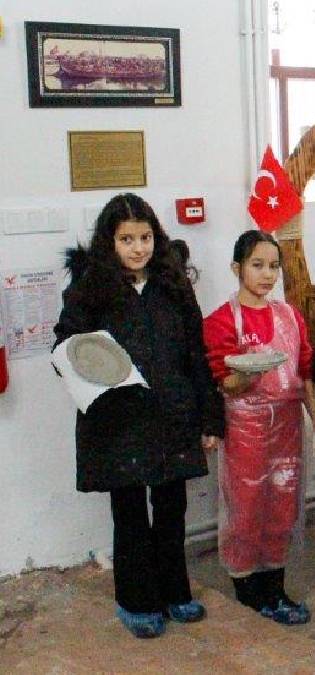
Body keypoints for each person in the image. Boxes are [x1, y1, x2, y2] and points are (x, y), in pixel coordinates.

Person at [54, 193, 223, 638]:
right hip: (119, 418)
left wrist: (210, 418)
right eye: (126, 239)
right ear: (109, 242)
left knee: (171, 509)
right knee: (129, 512)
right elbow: (66, 346)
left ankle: (175, 591)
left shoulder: (173, 284)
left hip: (173, 413)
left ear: (156, 237)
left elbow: (196, 353)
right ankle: (135, 600)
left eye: (145, 237)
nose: (137, 248)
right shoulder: (90, 288)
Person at [202, 230, 315, 625]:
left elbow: (305, 372)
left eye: (273, 266)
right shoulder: (221, 321)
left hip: (288, 424)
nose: (266, 275)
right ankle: (247, 587)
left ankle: (275, 585)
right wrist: (248, 369)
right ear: (236, 268)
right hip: (245, 428)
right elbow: (225, 382)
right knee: (246, 507)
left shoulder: (289, 316)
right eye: (257, 265)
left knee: (283, 504)